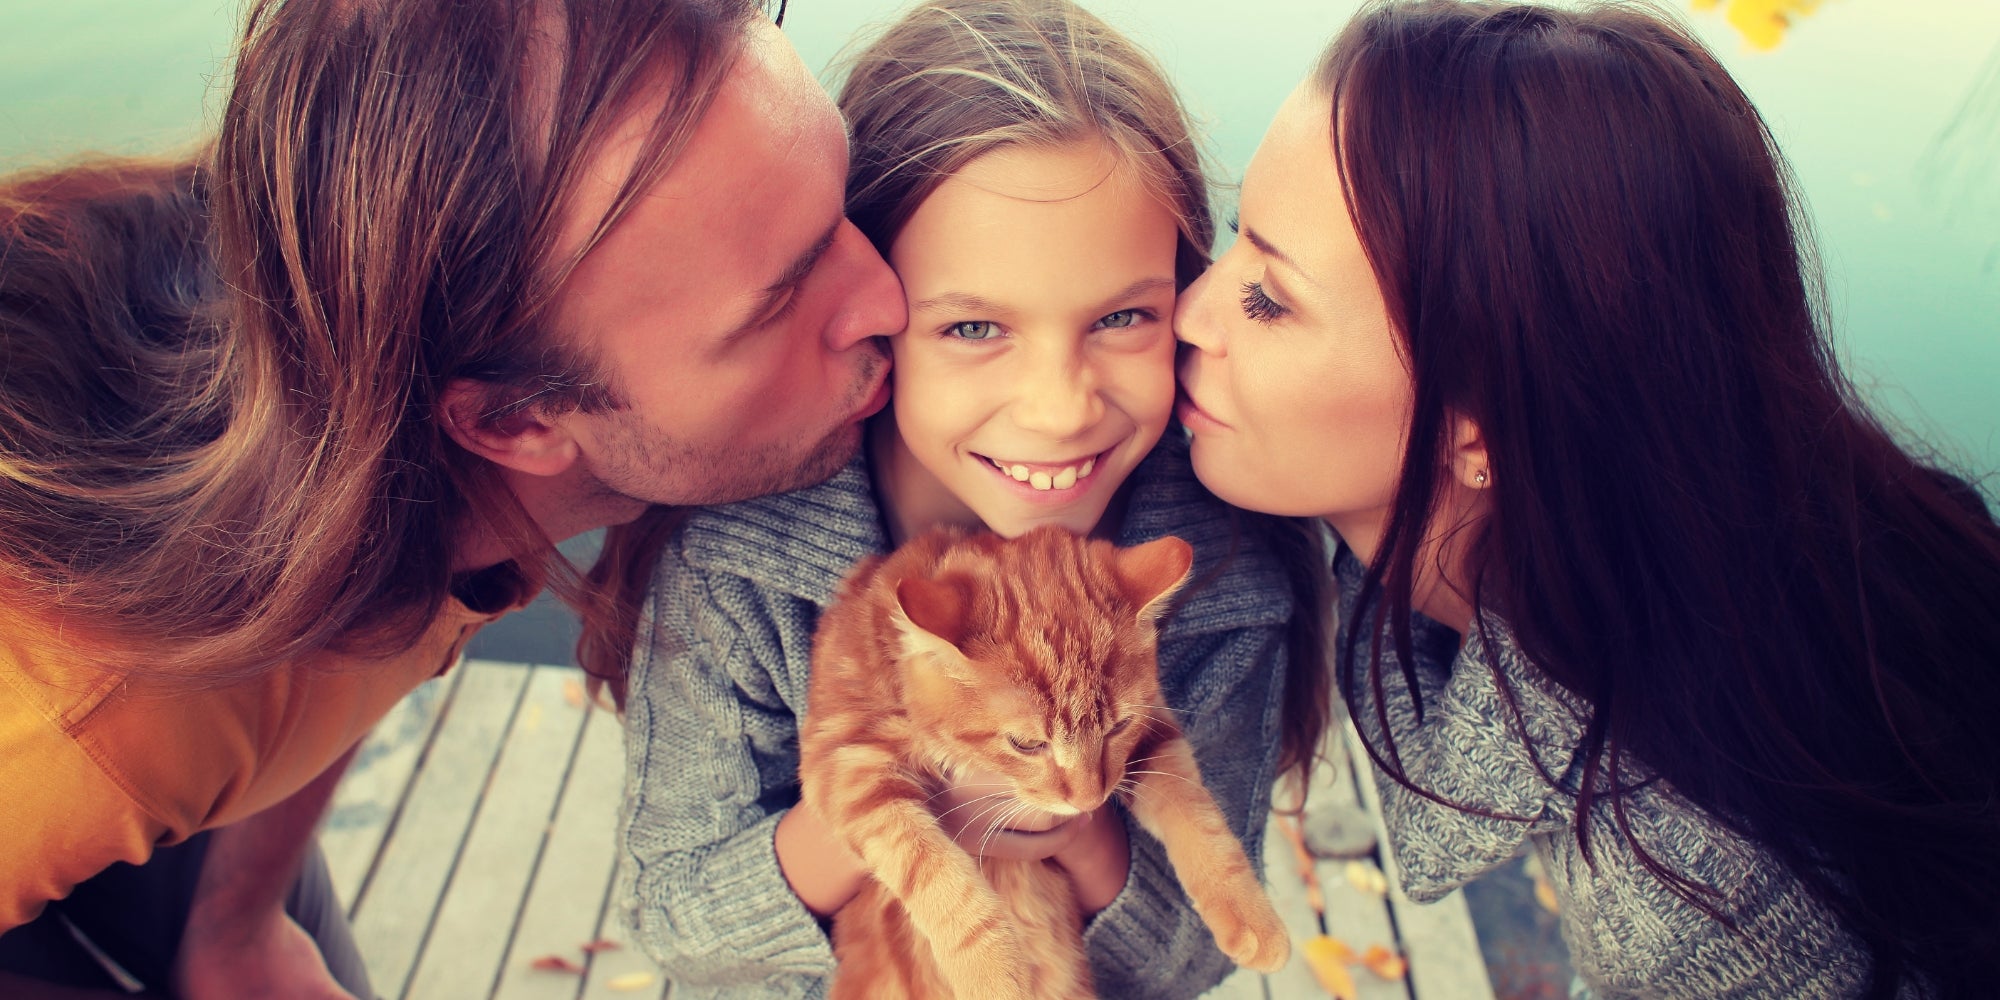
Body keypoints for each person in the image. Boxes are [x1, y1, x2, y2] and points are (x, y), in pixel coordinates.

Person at [0, 0, 905, 996]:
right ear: (517, 425)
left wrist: (239, 920)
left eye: (842, 204)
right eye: (780, 297)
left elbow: (354, 628)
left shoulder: (410, 414)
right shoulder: (80, 715)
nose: (891, 301)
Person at [1172, 1, 2000, 997]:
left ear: (1473, 429)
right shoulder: (1767, 570)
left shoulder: (1693, 894)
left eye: (1269, 298)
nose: (1191, 311)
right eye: (1233, 239)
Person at [609, 1, 1330, 996]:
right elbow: (675, 916)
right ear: (869, 315)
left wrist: (1074, 830)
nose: (1057, 409)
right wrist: (902, 809)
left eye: (1122, 316)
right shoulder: (739, 565)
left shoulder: (1214, 571)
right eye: (972, 329)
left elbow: (1190, 955)